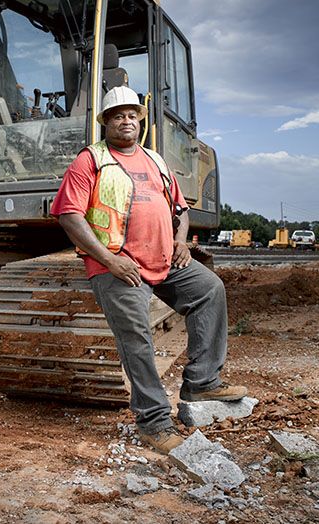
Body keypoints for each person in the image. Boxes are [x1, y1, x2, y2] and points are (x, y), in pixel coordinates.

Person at [50, 86, 247, 454]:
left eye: (132, 116)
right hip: (117, 266)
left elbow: (180, 209)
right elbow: (69, 215)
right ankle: (154, 422)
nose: (126, 121)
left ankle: (202, 381)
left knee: (209, 289)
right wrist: (109, 260)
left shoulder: (155, 161)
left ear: (140, 121)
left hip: (162, 259)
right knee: (137, 338)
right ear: (106, 122)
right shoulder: (90, 161)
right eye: (118, 116)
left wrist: (181, 241)